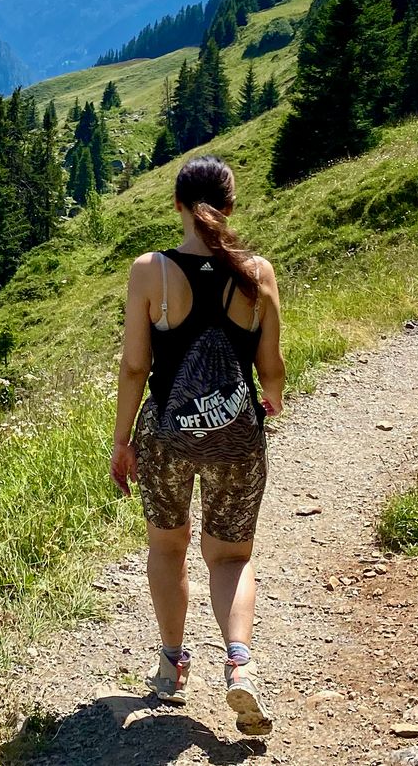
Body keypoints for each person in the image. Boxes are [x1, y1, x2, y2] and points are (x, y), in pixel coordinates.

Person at [110, 155, 284, 736]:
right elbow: (271, 367)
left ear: (178, 206)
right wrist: (272, 402)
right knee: (231, 557)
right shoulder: (257, 273)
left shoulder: (149, 272)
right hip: (238, 439)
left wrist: (122, 442)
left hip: (165, 439)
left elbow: (136, 367)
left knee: (168, 547)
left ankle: (171, 663)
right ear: (230, 207)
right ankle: (239, 665)